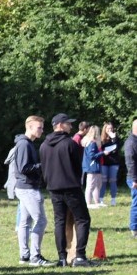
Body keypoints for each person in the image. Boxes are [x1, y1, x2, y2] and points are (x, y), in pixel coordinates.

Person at [39, 113, 93, 266]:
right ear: (60, 125)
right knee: (83, 219)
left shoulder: (43, 145)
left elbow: (44, 168)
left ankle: (62, 257)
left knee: (60, 222)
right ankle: (80, 256)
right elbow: (78, 165)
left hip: (53, 188)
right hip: (71, 187)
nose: (71, 126)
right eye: (68, 124)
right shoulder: (69, 143)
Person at [13, 116, 53, 266]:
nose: (42, 130)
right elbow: (24, 168)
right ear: (29, 127)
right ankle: (35, 257)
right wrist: (42, 165)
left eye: (42, 127)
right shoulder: (24, 144)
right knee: (41, 220)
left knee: (25, 222)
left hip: (25, 187)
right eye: (39, 127)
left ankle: (24, 256)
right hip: (27, 188)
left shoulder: (27, 143)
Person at [82, 125, 104, 208]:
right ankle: (88, 203)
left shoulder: (92, 142)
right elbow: (92, 156)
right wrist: (103, 153)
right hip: (91, 167)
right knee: (90, 185)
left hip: (95, 167)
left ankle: (97, 201)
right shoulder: (91, 143)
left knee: (97, 184)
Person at [99, 122, 120, 206]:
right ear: (105, 129)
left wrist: (113, 139)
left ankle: (113, 199)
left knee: (113, 180)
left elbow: (116, 149)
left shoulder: (115, 138)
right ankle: (100, 199)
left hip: (113, 163)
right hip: (104, 162)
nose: (110, 130)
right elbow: (101, 148)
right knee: (103, 181)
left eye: (111, 128)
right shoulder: (101, 139)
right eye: (108, 128)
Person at [124, 119, 137, 237]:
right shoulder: (131, 143)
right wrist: (134, 179)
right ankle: (134, 229)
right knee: (136, 203)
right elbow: (130, 162)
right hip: (134, 178)